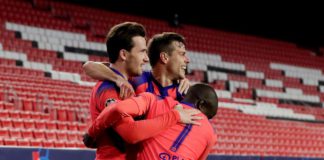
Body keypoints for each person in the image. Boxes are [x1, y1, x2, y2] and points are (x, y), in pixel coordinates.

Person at [86, 22, 199, 160]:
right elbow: (130, 133)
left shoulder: (182, 91)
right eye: (142, 52)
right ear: (124, 54)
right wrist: (175, 116)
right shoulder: (116, 86)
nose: (146, 58)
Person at [87, 83, 218, 160]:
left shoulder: (154, 101)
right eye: (208, 115)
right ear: (200, 105)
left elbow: (117, 108)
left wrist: (91, 133)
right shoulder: (211, 135)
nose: (205, 119)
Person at [83, 32, 191, 101]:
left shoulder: (185, 92)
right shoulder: (137, 79)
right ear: (164, 57)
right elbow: (89, 66)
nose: (187, 60)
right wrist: (118, 78)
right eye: (182, 54)